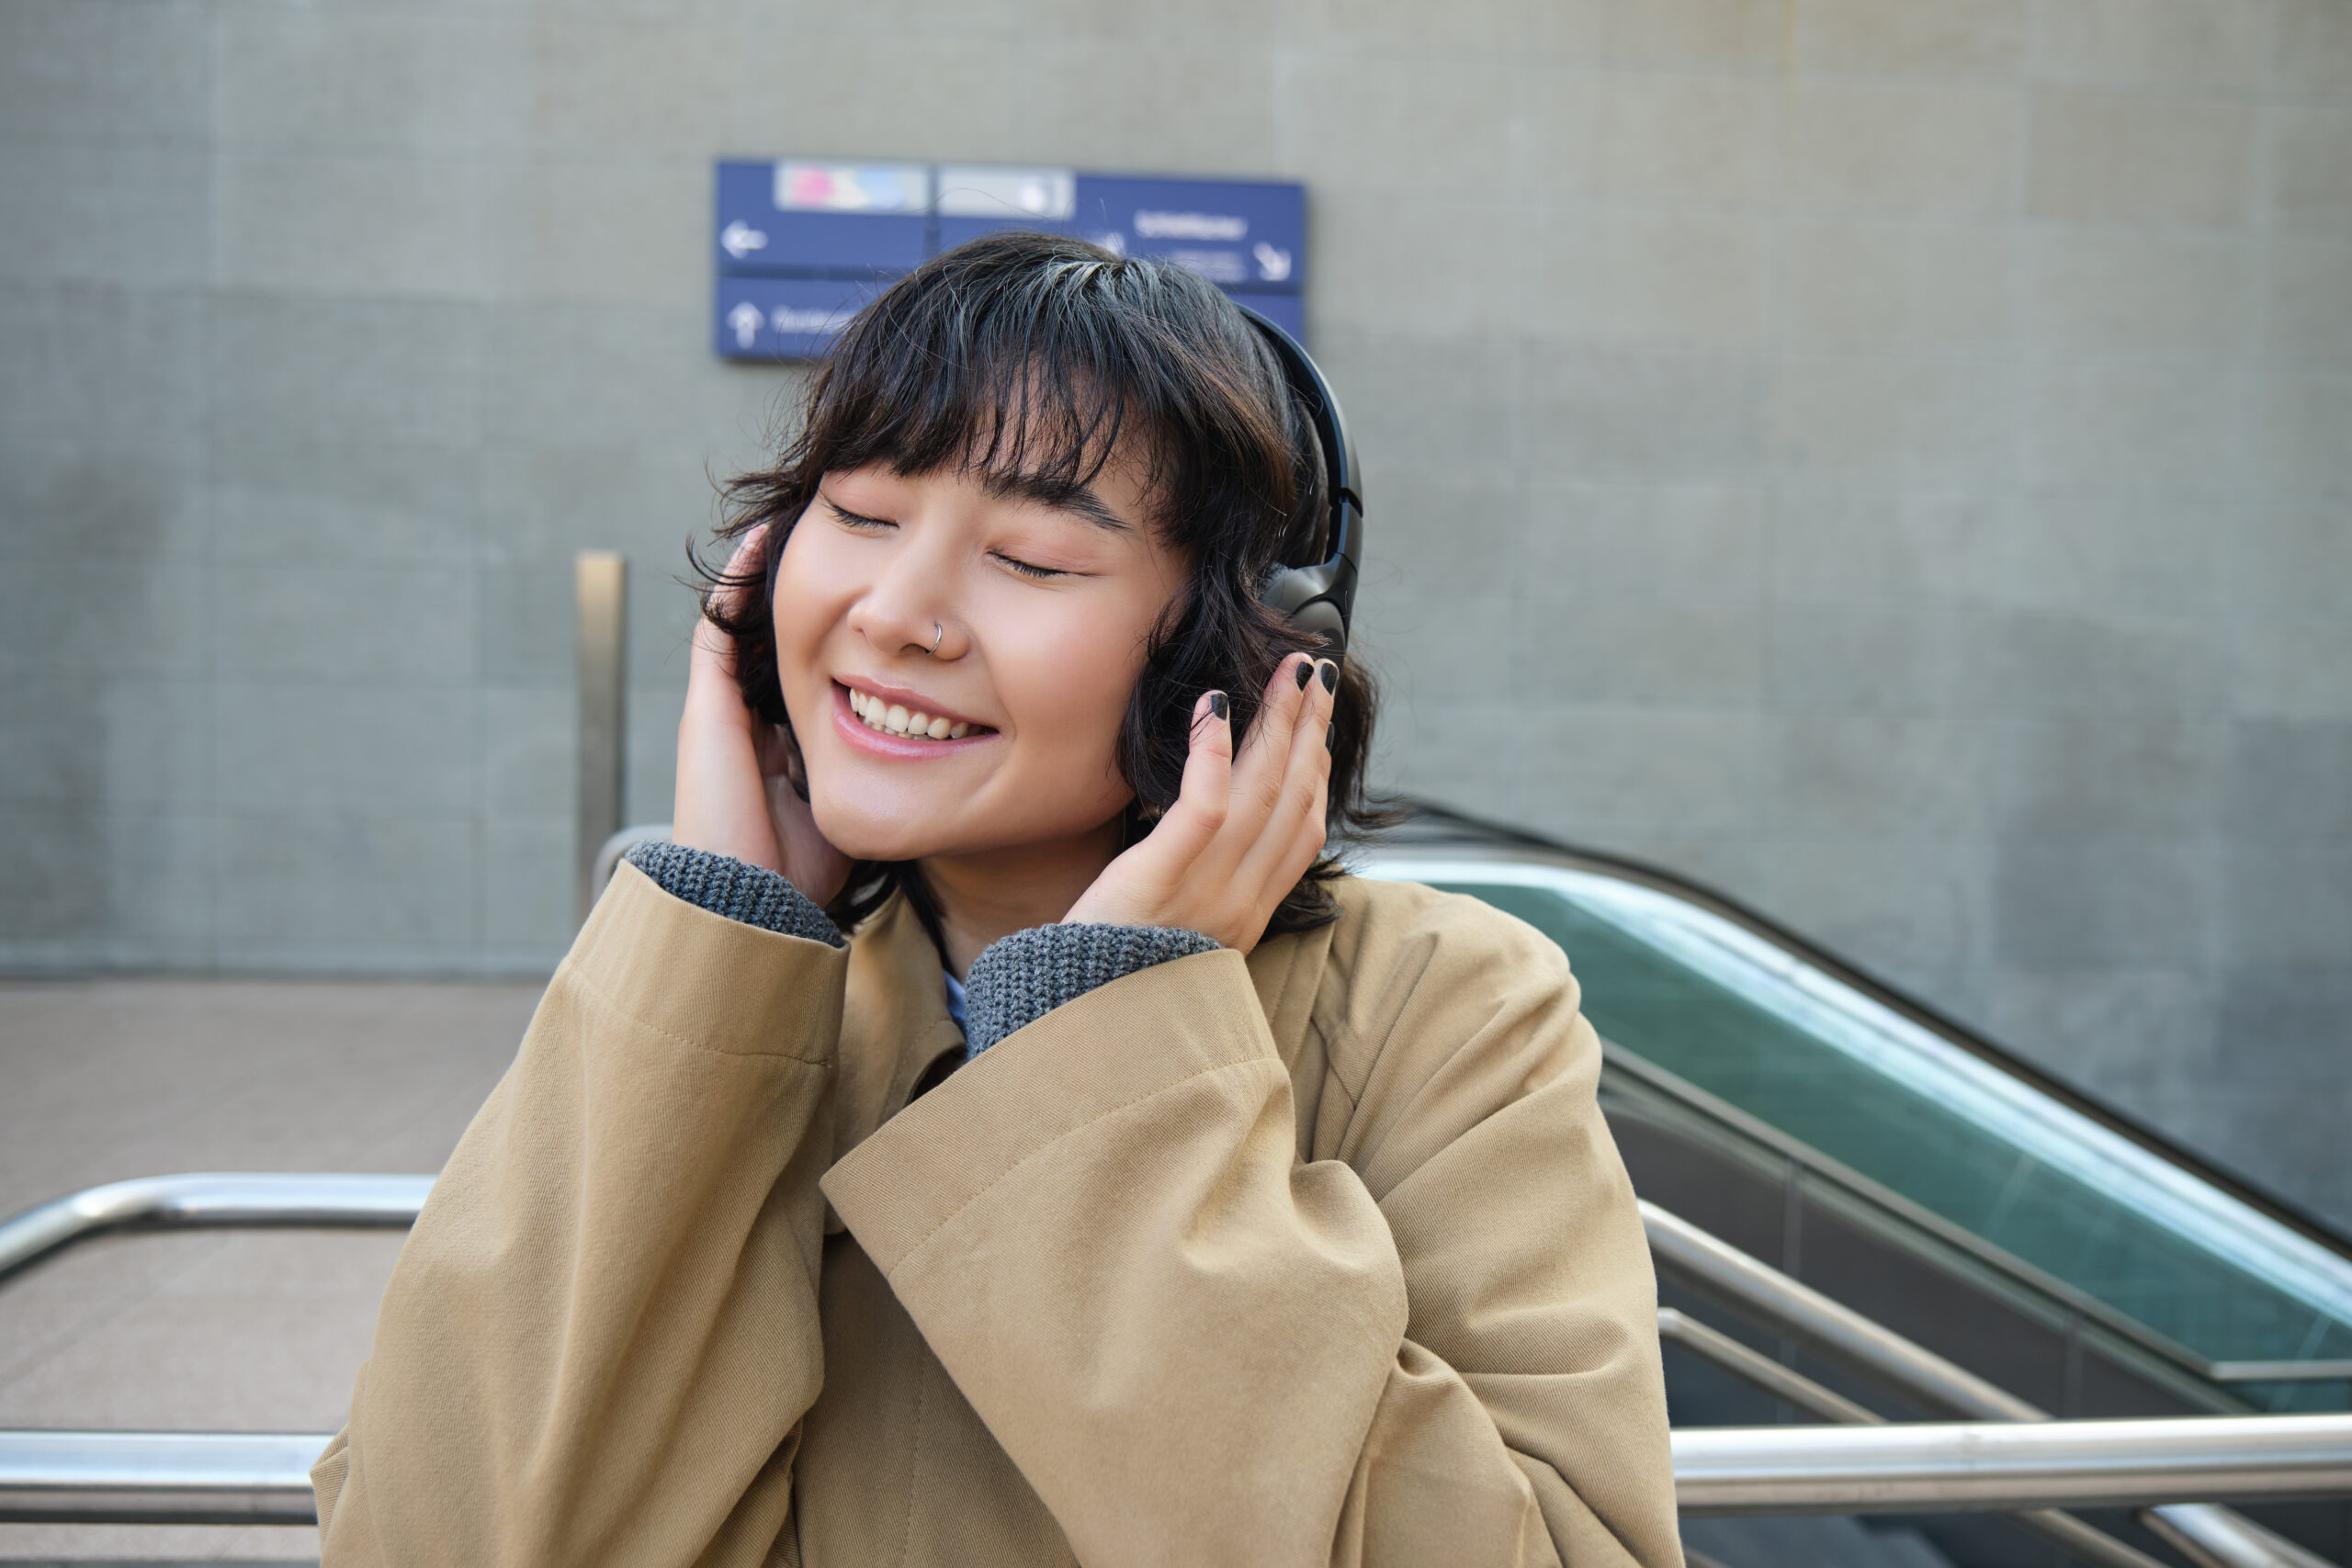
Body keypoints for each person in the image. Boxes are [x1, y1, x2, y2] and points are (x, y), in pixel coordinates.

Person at [311, 231, 1682, 1567]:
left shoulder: (1439, 1009)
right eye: (857, 512)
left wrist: (1100, 1036)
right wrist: (714, 935)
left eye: (1028, 559)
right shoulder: (728, 1002)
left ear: (1253, 650)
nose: (898, 611)